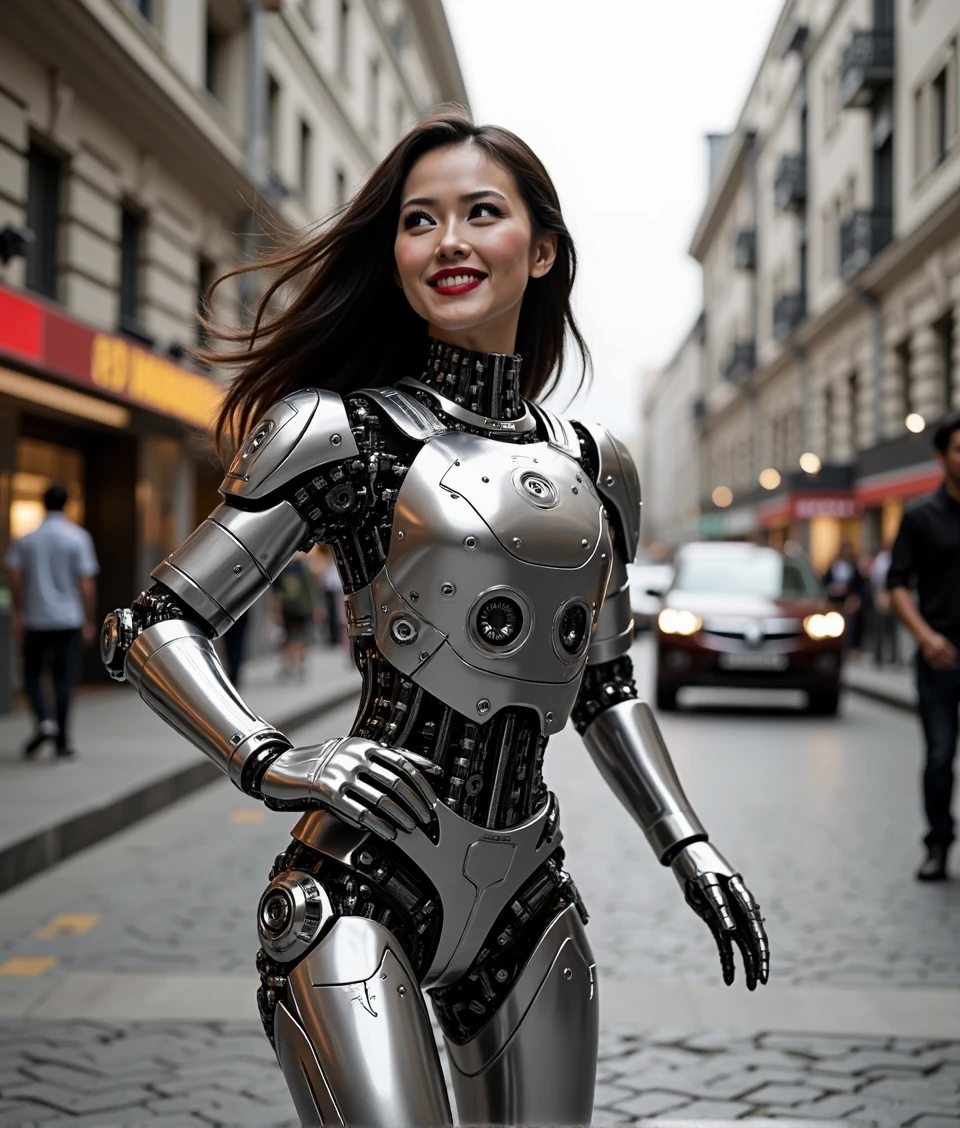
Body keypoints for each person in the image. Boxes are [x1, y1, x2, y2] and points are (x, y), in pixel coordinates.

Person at [98, 110, 768, 1126]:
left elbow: (607, 683)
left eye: (481, 213)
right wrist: (271, 756)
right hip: (359, 887)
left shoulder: (597, 466)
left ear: (540, 250)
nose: (449, 240)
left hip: (528, 896)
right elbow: (154, 620)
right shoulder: (341, 432)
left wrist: (690, 846)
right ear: (397, 252)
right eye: (420, 220)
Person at [888, 412, 960, 883]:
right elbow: (896, 585)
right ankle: (937, 844)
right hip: (939, 656)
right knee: (939, 756)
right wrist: (926, 638)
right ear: (941, 456)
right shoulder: (919, 516)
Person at [5, 483, 99, 759]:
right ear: (67, 504)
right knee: (63, 679)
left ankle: (44, 721)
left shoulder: (26, 539)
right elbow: (86, 584)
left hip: (35, 619)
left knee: (32, 674)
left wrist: (18, 613)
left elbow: (16, 580)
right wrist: (89, 619)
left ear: (43, 504)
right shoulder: (77, 537)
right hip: (68, 619)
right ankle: (62, 741)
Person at [272, 554, 316, 679]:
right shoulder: (304, 570)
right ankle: (300, 664)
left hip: (289, 610)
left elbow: (276, 594)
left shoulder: (281, 571)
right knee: (301, 638)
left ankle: (291, 665)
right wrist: (313, 608)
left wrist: (276, 612)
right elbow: (310, 591)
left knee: (289, 638)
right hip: (302, 609)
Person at [823, 541, 865, 657]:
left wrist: (854, 598)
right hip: (834, 601)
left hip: (848, 600)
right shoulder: (833, 566)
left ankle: (851, 648)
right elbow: (826, 582)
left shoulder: (853, 567)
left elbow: (858, 586)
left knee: (850, 625)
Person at [869, 540, 899, 667]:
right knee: (881, 629)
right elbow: (876, 581)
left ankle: (892, 657)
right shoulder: (881, 560)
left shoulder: (894, 559)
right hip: (882, 597)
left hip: (893, 598)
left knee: (891, 631)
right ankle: (879, 656)